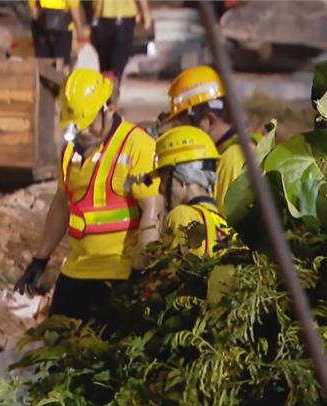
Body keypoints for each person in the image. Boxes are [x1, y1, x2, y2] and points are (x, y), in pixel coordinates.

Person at [14, 68, 162, 324]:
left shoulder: (136, 144)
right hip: (77, 272)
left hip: (119, 273)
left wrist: (144, 269)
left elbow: (153, 206)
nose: (85, 132)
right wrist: (40, 259)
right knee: (58, 350)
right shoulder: (70, 152)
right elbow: (62, 202)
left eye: (90, 123)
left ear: (107, 108)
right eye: (78, 126)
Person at [165, 65, 254, 215]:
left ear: (209, 120)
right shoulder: (239, 148)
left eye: (185, 125)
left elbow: (225, 226)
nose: (184, 135)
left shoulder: (233, 158)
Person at [154, 126, 230, 258]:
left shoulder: (181, 215)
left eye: (164, 180)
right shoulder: (223, 222)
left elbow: (178, 272)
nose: (160, 188)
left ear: (182, 180)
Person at [89, 0, 151, 89]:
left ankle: (108, 96)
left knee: (109, 69)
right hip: (118, 18)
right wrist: (145, 13)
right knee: (112, 70)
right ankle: (110, 97)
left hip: (103, 18)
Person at [28, 0, 90, 65]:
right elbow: (74, 8)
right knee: (61, 63)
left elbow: (34, 10)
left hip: (41, 27)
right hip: (63, 27)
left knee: (42, 63)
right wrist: (79, 30)